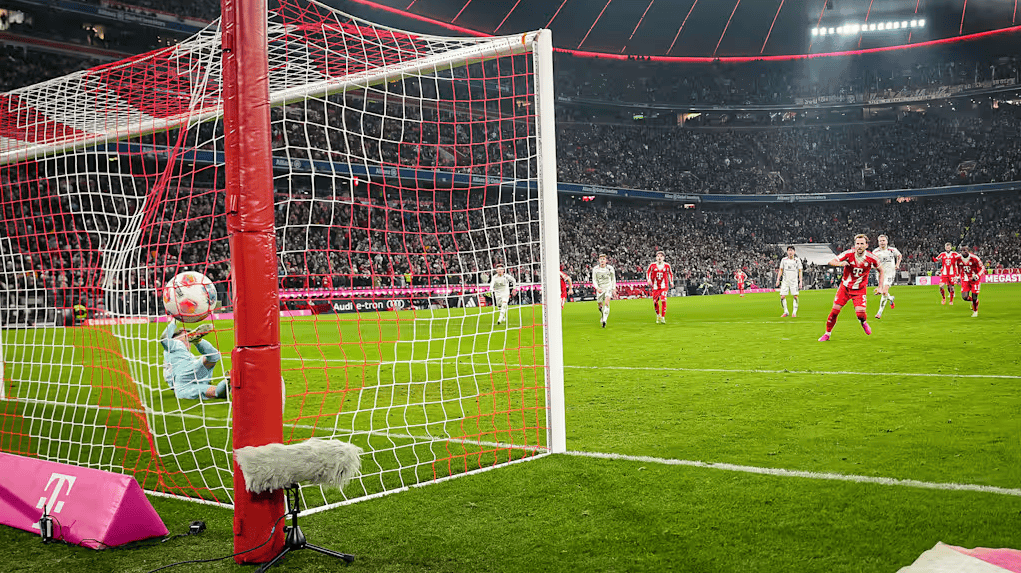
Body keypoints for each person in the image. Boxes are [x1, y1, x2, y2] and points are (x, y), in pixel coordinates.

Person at [819, 234, 885, 342]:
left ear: (866, 245)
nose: (859, 246)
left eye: (862, 244)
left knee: (860, 314)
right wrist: (841, 263)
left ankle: (863, 322)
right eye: (857, 244)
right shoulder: (848, 253)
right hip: (845, 288)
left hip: (860, 289)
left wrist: (880, 287)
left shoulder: (872, 258)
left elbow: (881, 270)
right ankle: (827, 334)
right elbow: (831, 261)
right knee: (834, 311)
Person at [160, 319, 226, 400]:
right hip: (183, 377)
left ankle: (228, 380)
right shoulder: (174, 345)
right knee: (213, 356)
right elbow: (164, 339)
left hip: (183, 387)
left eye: (188, 339)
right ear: (174, 338)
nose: (186, 341)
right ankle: (198, 341)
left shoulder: (188, 356)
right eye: (185, 338)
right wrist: (175, 320)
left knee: (216, 392)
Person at [872, 234, 902, 319]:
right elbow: (872, 262)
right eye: (880, 241)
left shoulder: (892, 250)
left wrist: (897, 264)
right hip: (880, 274)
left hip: (890, 273)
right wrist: (874, 266)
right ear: (878, 242)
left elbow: (899, 255)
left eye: (883, 240)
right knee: (884, 292)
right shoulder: (875, 252)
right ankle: (891, 298)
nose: (882, 242)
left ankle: (879, 312)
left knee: (884, 291)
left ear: (887, 242)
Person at [646, 250, 673, 323]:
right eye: (658, 256)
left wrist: (671, 282)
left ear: (663, 257)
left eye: (661, 256)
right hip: (655, 287)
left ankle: (663, 317)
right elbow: (648, 272)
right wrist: (649, 279)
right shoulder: (652, 265)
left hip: (664, 286)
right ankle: (658, 315)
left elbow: (670, 273)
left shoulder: (667, 265)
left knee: (663, 300)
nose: (659, 258)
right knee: (655, 302)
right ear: (656, 258)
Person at [775, 246, 803, 318]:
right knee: (782, 296)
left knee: (795, 296)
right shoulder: (784, 260)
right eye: (789, 250)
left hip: (794, 281)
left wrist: (800, 281)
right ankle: (786, 312)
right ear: (787, 252)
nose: (790, 252)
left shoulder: (797, 260)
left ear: (794, 251)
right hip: (785, 281)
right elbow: (781, 270)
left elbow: (800, 271)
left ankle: (794, 312)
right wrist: (778, 279)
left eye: (791, 250)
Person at [959, 245, 984, 317]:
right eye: (962, 251)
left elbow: (982, 268)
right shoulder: (958, 259)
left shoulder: (974, 258)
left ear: (968, 251)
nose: (963, 252)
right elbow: (956, 267)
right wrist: (958, 276)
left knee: (974, 296)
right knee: (964, 297)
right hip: (965, 279)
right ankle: (974, 301)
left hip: (975, 279)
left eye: (965, 250)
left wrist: (977, 276)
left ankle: (975, 311)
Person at [592, 254, 616, 328]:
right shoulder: (595, 269)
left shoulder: (610, 268)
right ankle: (602, 315)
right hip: (600, 288)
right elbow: (594, 280)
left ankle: (604, 320)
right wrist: (597, 288)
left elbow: (613, 278)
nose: (602, 260)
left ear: (606, 260)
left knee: (606, 302)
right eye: (601, 259)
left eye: (603, 259)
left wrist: (613, 288)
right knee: (600, 305)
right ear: (599, 260)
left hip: (608, 287)